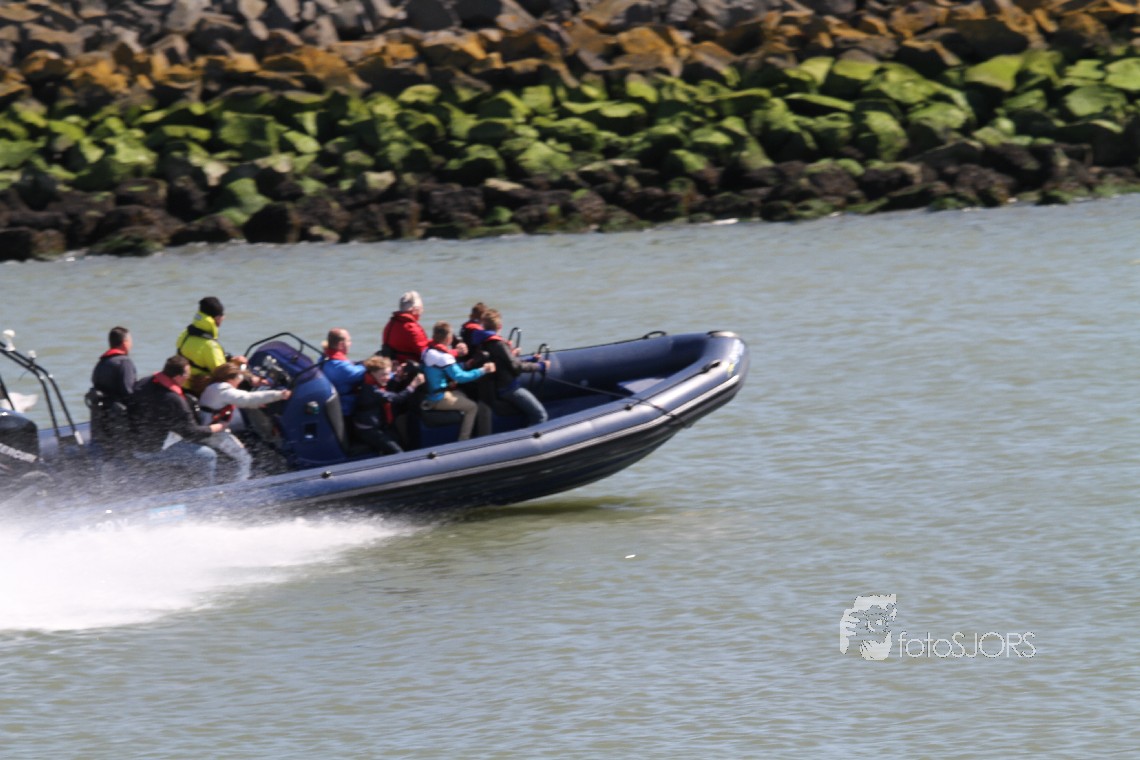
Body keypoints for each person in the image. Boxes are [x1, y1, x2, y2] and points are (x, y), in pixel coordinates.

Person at [131, 355, 225, 486]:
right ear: (177, 377)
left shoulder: (144, 382)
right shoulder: (173, 399)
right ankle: (206, 493)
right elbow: (193, 433)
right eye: (187, 375)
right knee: (208, 455)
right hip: (153, 450)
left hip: (134, 443)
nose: (188, 378)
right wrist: (217, 427)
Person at [198, 361, 292, 480]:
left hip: (211, 426)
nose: (240, 381)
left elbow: (238, 401)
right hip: (214, 433)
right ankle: (240, 486)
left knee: (240, 450)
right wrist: (280, 394)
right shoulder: (224, 391)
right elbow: (247, 398)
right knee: (245, 459)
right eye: (239, 378)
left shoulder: (214, 386)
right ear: (230, 379)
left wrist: (257, 403)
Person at [421, 322, 495, 441]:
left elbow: (443, 368)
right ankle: (464, 440)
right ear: (448, 338)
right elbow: (461, 377)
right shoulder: (444, 357)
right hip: (437, 398)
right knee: (472, 407)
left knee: (462, 394)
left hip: (431, 393)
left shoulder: (427, 351)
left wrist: (464, 363)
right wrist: (483, 370)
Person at [475, 308, 549, 426]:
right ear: (499, 326)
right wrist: (540, 366)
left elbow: (506, 362)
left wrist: (530, 360)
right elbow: (516, 367)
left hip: (495, 388)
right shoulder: (498, 344)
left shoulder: (483, 343)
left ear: (484, 325)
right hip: (509, 388)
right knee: (540, 415)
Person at [351, 355, 422, 455]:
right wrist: (413, 385)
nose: (387, 377)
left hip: (379, 424)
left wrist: (398, 377)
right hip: (368, 430)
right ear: (372, 373)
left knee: (401, 441)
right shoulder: (371, 389)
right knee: (398, 452)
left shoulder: (373, 381)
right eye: (383, 375)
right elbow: (397, 398)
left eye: (388, 374)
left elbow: (388, 389)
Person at [175, 296, 242, 394]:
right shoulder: (210, 346)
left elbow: (196, 356)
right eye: (222, 316)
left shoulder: (187, 333)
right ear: (217, 318)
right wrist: (237, 365)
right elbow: (224, 375)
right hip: (199, 391)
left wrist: (228, 358)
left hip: (183, 385)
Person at [87, 325, 137, 453]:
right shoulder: (124, 362)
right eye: (130, 341)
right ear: (125, 343)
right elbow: (129, 393)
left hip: (101, 422)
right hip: (119, 425)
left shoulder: (101, 364)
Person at [320, 328, 366, 416]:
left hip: (333, 404)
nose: (350, 343)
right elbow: (362, 373)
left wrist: (361, 363)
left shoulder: (324, 358)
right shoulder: (340, 367)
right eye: (349, 341)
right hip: (345, 409)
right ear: (341, 345)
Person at [381, 290, 429, 364]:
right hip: (409, 367)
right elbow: (425, 354)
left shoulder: (390, 324)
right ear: (415, 310)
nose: (422, 311)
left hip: (393, 364)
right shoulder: (412, 328)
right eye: (421, 308)